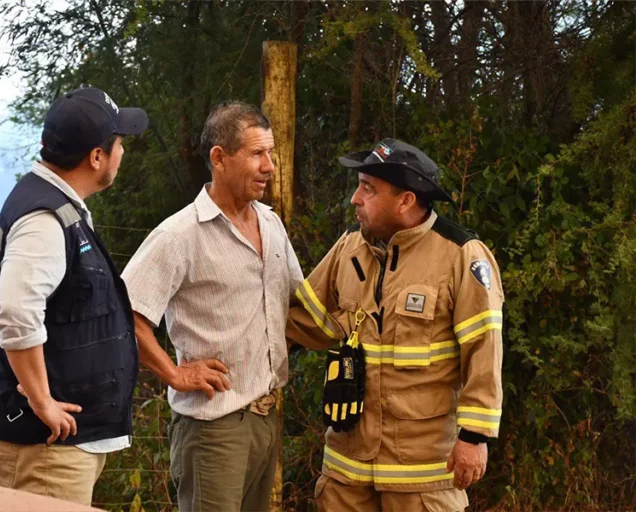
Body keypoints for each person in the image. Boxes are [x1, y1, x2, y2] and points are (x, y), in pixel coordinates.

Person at [287, 139, 504, 511]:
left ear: (405, 200)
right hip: (347, 470)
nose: (355, 198)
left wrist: (474, 436)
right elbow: (302, 321)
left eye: (367, 189)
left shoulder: (460, 255)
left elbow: (484, 351)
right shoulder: (349, 247)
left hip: (421, 475)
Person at [0, 86, 147, 506]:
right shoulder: (45, 218)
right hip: (42, 446)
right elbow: (14, 311)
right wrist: (42, 400)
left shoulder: (54, 205)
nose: (122, 153)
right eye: (118, 143)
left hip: (54, 444)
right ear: (97, 157)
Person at [122, 102, 304, 511]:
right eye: (257, 154)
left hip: (266, 417)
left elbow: (299, 301)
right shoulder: (179, 234)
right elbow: (125, 315)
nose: (269, 166)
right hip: (213, 428)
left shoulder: (271, 224)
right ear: (219, 158)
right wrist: (173, 373)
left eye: (270, 153)